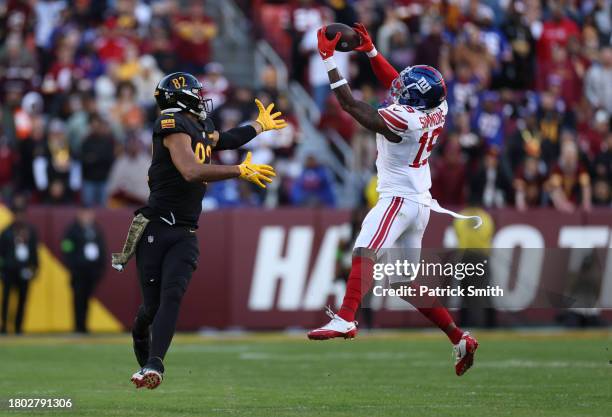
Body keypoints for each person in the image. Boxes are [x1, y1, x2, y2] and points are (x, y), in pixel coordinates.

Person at [307, 24, 481, 376]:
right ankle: (458, 337)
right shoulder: (439, 107)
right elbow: (395, 83)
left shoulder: (405, 120)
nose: (396, 89)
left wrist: (328, 59)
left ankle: (345, 317)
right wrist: (370, 51)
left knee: (364, 247)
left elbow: (351, 106)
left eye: (404, 89)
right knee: (403, 281)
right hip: (419, 201)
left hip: (399, 198)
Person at [111, 72, 286, 389]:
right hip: (157, 226)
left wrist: (259, 126)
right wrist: (238, 170)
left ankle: (154, 364)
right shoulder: (171, 123)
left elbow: (224, 140)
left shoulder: (200, 125)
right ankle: (140, 334)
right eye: (196, 92)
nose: (202, 98)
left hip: (185, 231)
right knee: (151, 308)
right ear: (181, 97)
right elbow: (191, 170)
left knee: (172, 296)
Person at [61, 207, 106, 333]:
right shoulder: (72, 230)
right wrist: (72, 266)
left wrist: (100, 268)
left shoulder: (96, 229)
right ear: (79, 214)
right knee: (78, 299)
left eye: (89, 214)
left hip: (91, 272)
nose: (87, 217)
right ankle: (78, 325)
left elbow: (102, 249)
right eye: (85, 214)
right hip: (78, 272)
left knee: (87, 299)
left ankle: (84, 325)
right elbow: (66, 248)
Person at [0, 195, 39, 334]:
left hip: (24, 270)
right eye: (17, 213)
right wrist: (2, 270)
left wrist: (35, 268)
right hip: (9, 270)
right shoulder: (6, 232)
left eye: (22, 213)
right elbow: (1, 253)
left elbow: (34, 252)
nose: (19, 216)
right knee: (6, 300)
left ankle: (18, 326)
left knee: (23, 300)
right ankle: (4, 325)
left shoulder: (30, 232)